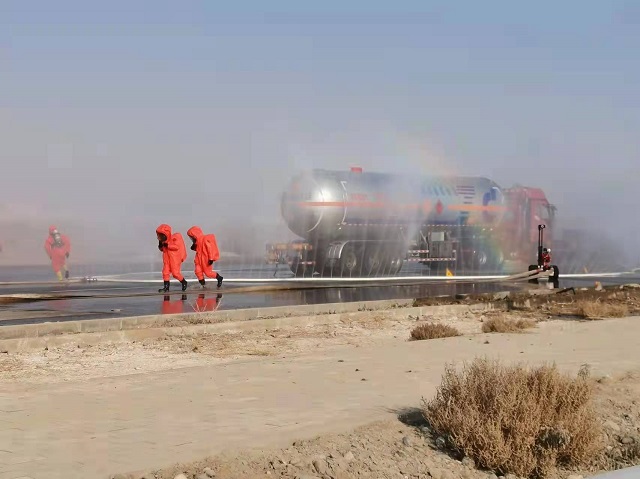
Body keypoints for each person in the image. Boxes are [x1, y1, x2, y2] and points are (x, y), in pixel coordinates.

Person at [156, 224, 188, 292]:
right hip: (166, 259)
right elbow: (162, 250)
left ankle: (184, 282)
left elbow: (176, 247)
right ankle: (166, 287)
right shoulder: (164, 242)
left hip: (175, 259)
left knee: (175, 273)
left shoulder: (174, 239)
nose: (160, 237)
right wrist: (161, 245)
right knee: (165, 272)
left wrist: (168, 245)